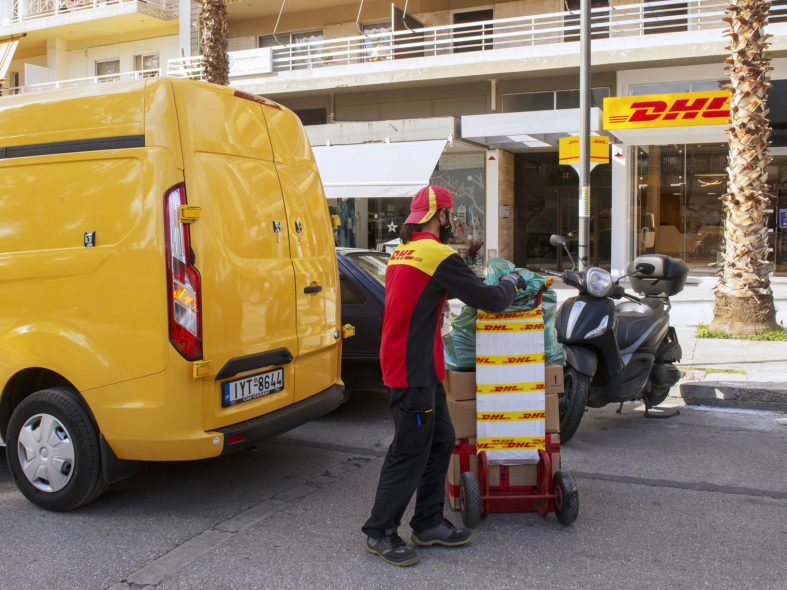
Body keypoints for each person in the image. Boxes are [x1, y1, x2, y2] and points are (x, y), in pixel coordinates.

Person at [362, 185, 525, 567]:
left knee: (440, 440)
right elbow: (491, 300)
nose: (453, 222)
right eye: (450, 215)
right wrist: (511, 283)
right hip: (412, 369)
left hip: (417, 364)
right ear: (441, 216)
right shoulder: (437, 254)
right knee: (410, 449)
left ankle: (428, 522)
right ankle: (380, 531)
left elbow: (426, 292)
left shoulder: (403, 252)